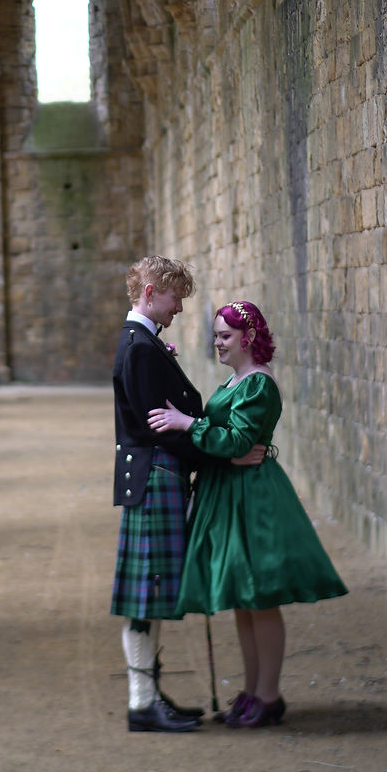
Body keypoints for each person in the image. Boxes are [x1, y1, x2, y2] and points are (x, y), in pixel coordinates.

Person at [148, 300, 347, 728]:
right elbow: (229, 441)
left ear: (249, 337)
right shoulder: (235, 381)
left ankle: (269, 696)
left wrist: (188, 425)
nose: (217, 343)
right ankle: (253, 690)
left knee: (259, 597)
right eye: (216, 335)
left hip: (254, 498)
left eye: (225, 336)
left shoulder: (258, 384)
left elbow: (237, 441)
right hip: (229, 491)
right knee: (243, 598)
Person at [110, 258, 264, 733]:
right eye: (175, 297)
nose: (179, 307)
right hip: (155, 476)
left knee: (152, 594)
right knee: (146, 597)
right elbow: (161, 427)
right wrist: (222, 456)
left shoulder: (146, 343)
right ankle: (141, 702)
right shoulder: (139, 347)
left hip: (160, 476)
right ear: (151, 292)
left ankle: (150, 696)